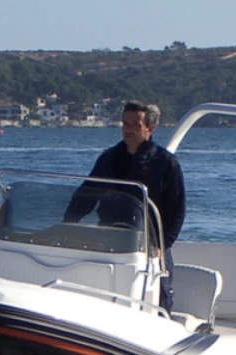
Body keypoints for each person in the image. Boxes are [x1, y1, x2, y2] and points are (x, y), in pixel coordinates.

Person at [64, 101, 185, 313]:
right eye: (125, 125)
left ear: (150, 128)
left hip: (151, 245)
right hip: (112, 239)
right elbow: (86, 195)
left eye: (135, 126)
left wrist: (162, 245)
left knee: (159, 297)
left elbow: (176, 210)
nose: (128, 130)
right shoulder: (109, 159)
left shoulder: (166, 163)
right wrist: (67, 224)